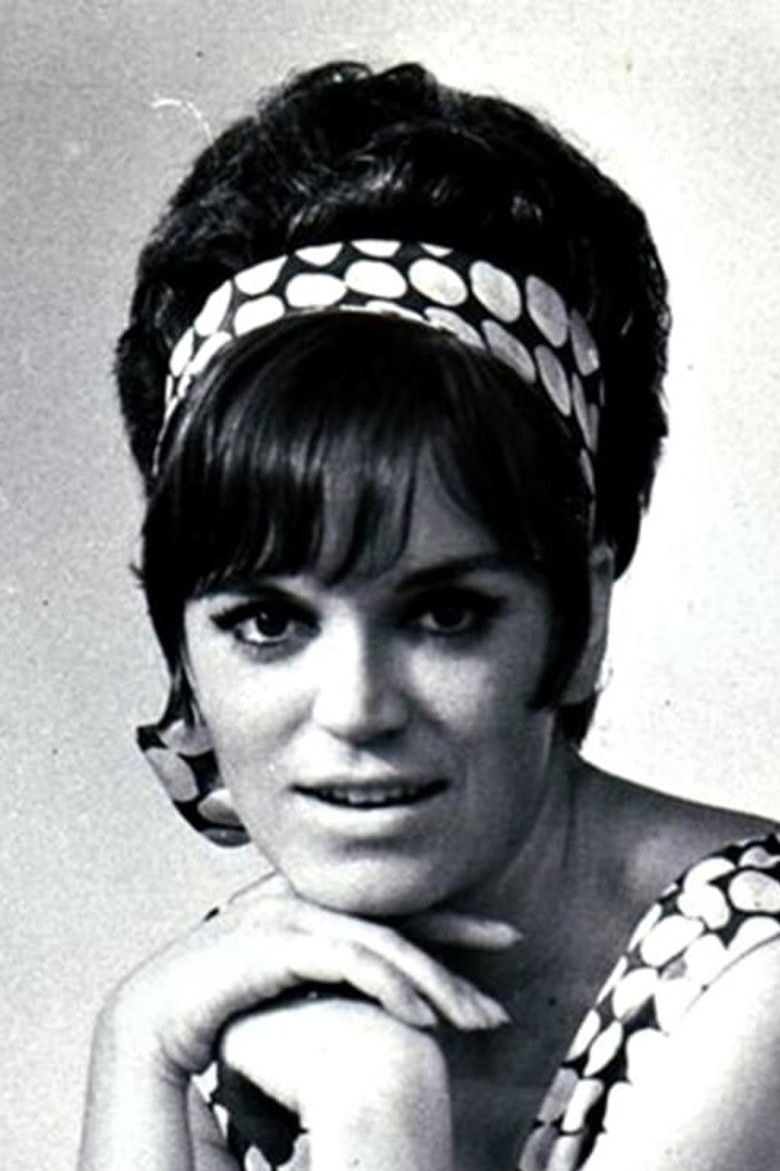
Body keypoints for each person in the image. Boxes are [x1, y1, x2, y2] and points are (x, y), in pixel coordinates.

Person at [78, 61, 780, 1171]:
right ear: (184, 649)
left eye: (446, 613)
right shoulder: (232, 987)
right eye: (268, 621)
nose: (356, 709)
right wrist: (135, 1045)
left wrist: (379, 1110)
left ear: (582, 616)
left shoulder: (752, 987)